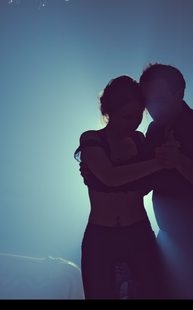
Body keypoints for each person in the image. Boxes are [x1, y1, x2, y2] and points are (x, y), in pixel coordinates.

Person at [81, 63, 193, 299]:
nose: (153, 108)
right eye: (148, 101)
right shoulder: (153, 131)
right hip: (163, 238)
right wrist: (96, 173)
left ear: (180, 93)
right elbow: (140, 182)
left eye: (160, 99)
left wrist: (179, 162)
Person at [74, 75, 176, 299]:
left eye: (139, 116)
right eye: (127, 117)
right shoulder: (92, 139)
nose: (134, 122)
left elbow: (144, 186)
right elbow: (110, 177)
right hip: (101, 236)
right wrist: (157, 163)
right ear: (108, 112)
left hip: (137, 231)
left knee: (154, 293)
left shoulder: (141, 141)